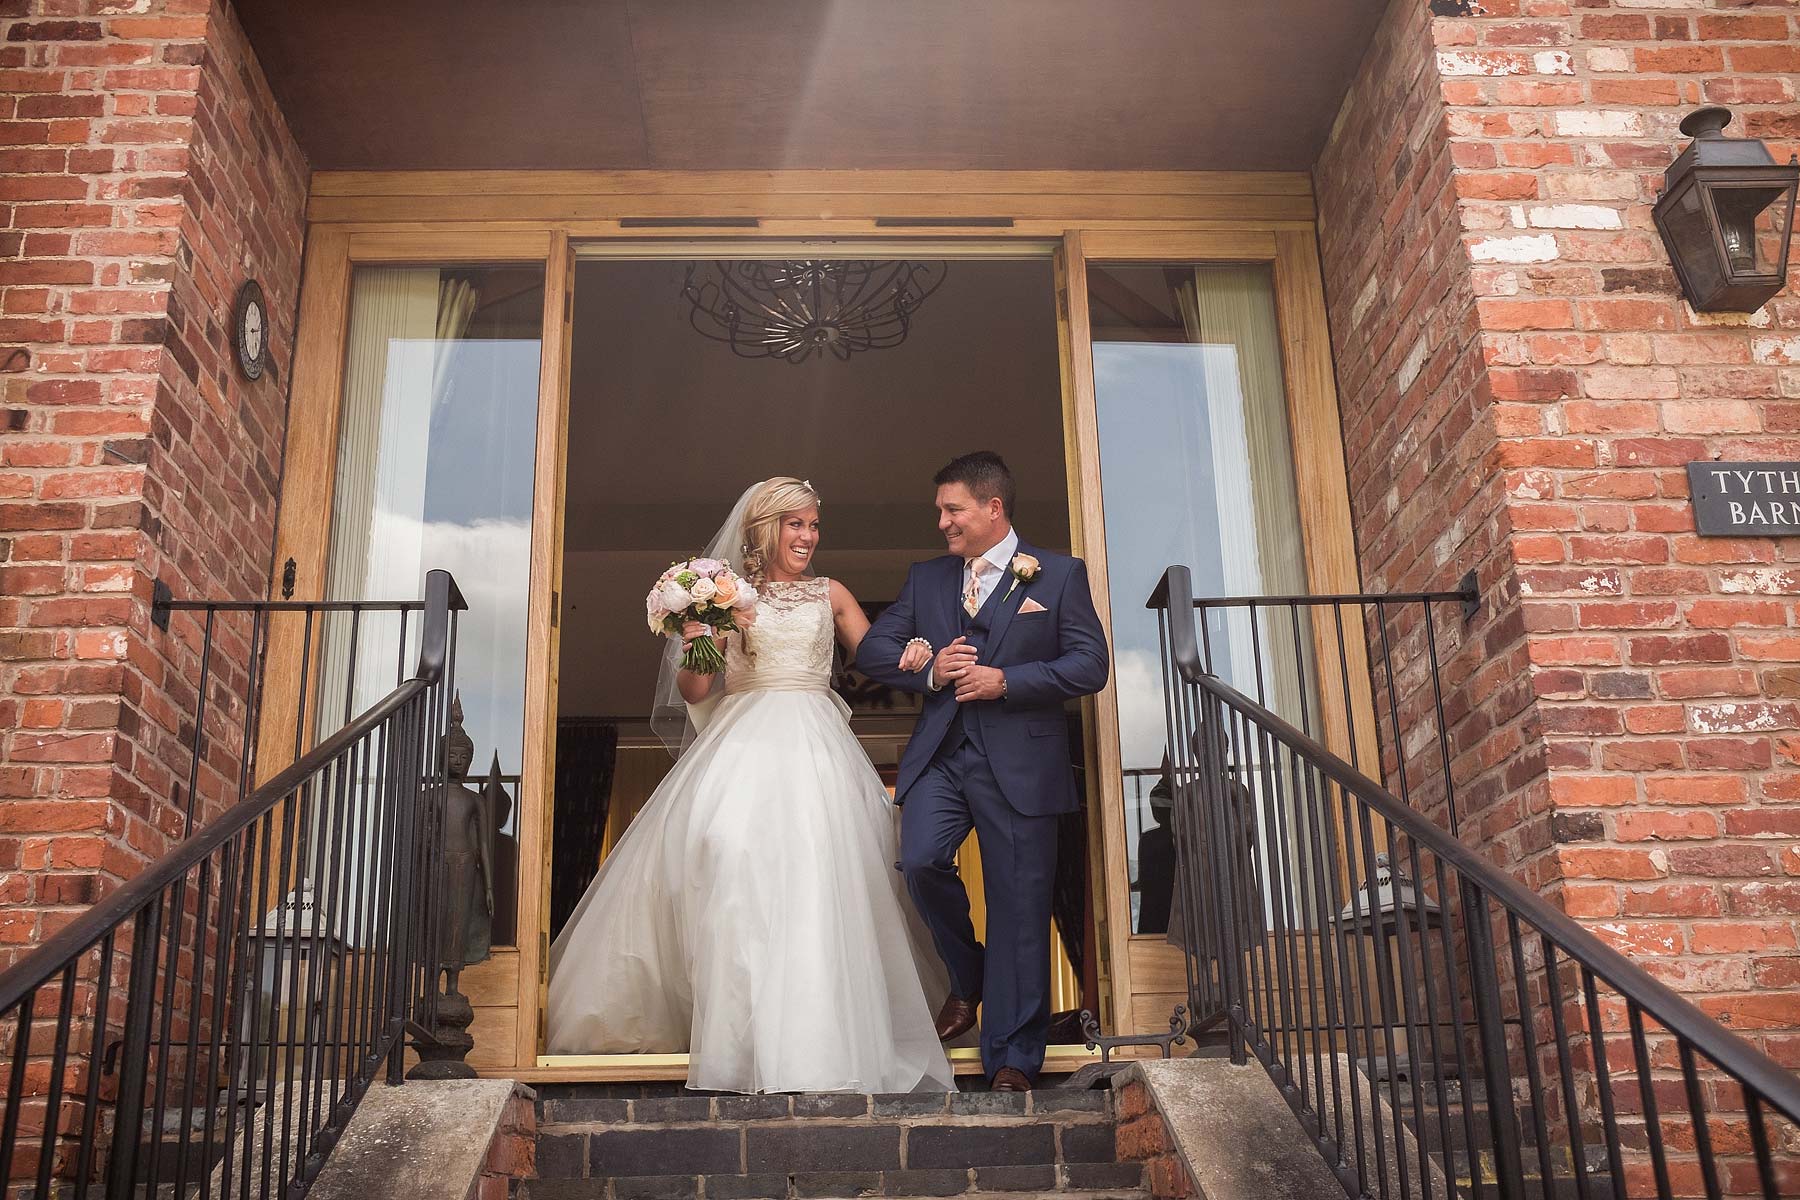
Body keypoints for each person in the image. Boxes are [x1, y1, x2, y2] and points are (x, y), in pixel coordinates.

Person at [545, 478, 953, 1094]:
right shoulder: (728, 598)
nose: (809, 537)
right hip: (743, 743)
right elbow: (697, 693)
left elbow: (874, 655)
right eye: (796, 525)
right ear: (763, 529)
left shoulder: (832, 592)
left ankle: (824, 1040)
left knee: (826, 876)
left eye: (815, 525)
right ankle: (741, 1044)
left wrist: (918, 656)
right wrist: (695, 641)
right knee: (735, 867)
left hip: (818, 745)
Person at [856, 451, 1109, 1091]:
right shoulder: (928, 579)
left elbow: (1089, 666)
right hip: (944, 756)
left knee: (1020, 911)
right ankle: (966, 979)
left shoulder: (1057, 575)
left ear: (993, 508)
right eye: (941, 510)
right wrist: (929, 667)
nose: (942, 522)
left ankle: (1012, 1062)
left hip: (1022, 762)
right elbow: (875, 648)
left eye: (953, 509)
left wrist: (1007, 681)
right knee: (919, 861)